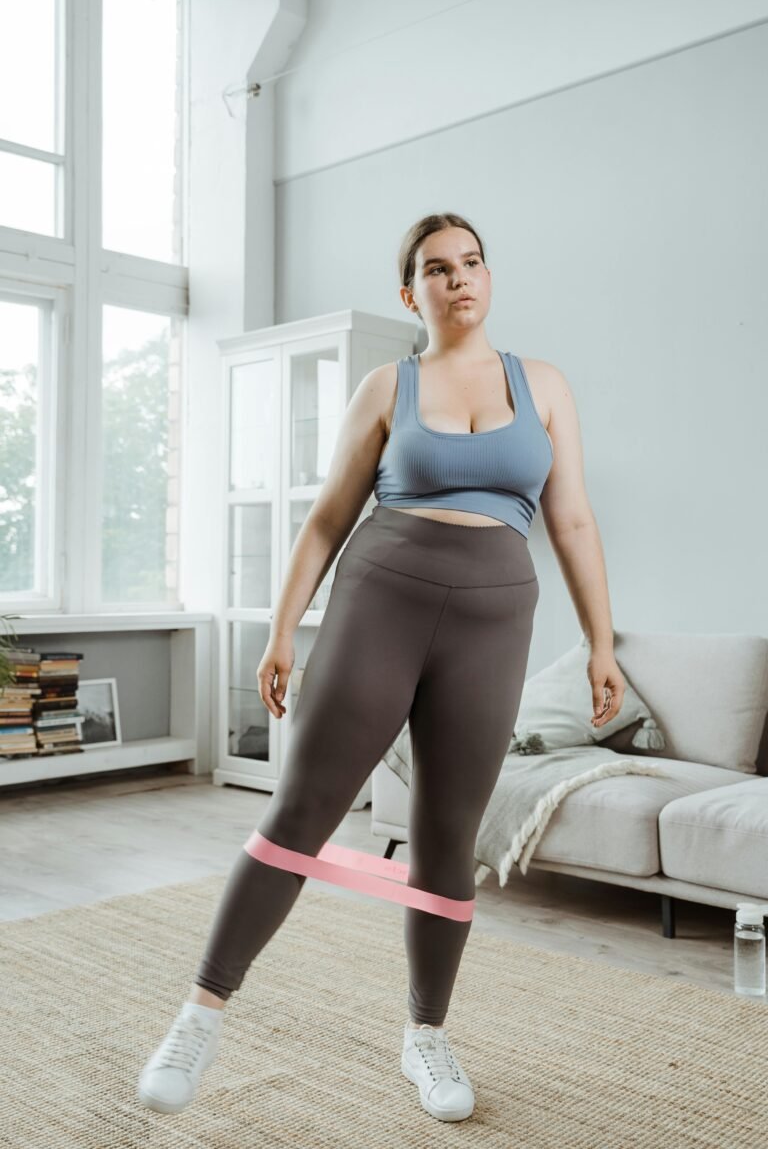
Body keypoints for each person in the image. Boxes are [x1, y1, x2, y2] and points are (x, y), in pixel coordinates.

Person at [137, 212, 625, 1122]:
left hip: (494, 621)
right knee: (302, 811)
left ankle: (426, 1036)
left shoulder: (545, 385)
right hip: (381, 601)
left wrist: (602, 642)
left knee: (449, 837)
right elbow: (326, 517)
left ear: (490, 276)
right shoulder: (387, 387)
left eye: (473, 262)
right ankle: (197, 1017)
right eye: (438, 269)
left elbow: (573, 522)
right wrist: (281, 630)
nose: (460, 279)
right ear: (414, 294)